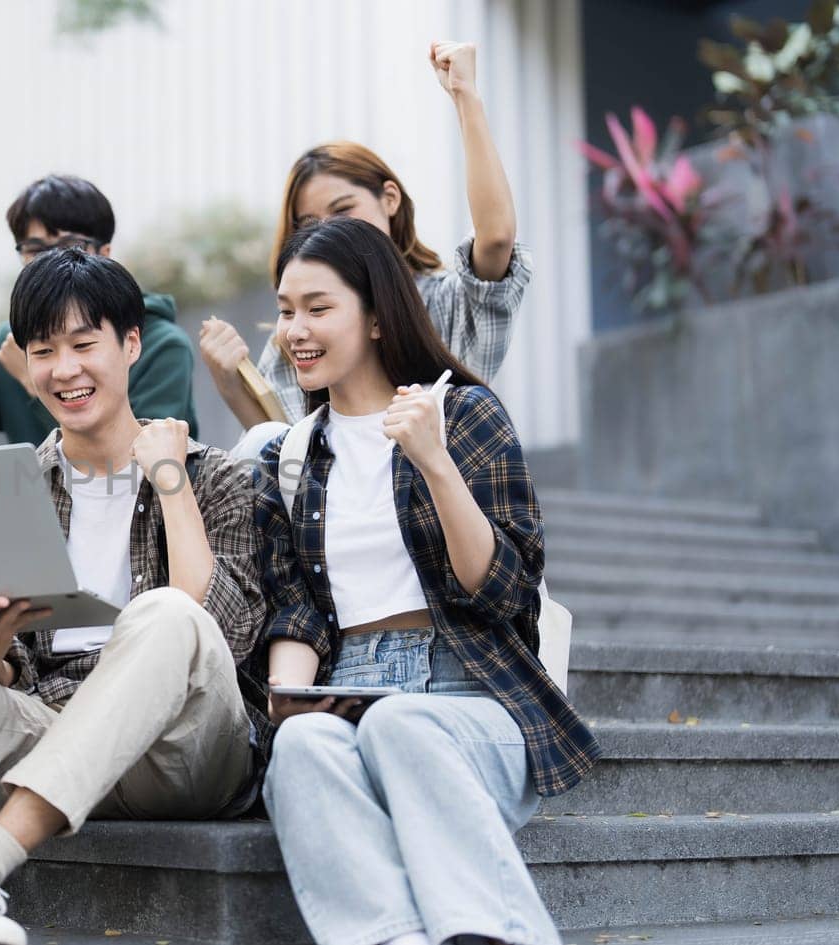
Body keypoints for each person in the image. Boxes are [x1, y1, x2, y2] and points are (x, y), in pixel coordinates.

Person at [0, 249, 266, 945]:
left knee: (164, 612)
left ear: (131, 344)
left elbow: (219, 631)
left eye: (83, 344)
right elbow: (1, 681)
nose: (64, 369)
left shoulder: (212, 476)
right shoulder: (10, 489)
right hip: (53, 731)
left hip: (184, 752)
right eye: (43, 350)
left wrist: (169, 480)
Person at [252, 217, 598, 945]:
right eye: (286, 310)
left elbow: (504, 589)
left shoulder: (463, 414)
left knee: (402, 720)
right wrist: (292, 705)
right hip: (346, 686)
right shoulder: (290, 457)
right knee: (304, 750)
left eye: (319, 307)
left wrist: (433, 461)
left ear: (377, 315)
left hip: (473, 691)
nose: (296, 330)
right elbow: (298, 613)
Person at [199, 40, 532, 448]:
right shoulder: (296, 335)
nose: (328, 233)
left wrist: (465, 95)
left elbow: (496, 239)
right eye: (309, 223)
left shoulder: (443, 304)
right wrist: (234, 385)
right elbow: (285, 458)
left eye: (343, 210)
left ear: (389, 199)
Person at [0, 173, 199, 443]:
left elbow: (147, 468)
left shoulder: (161, 345)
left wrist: (35, 384)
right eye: (35, 249)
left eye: (70, 245)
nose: (55, 260)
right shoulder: (15, 341)